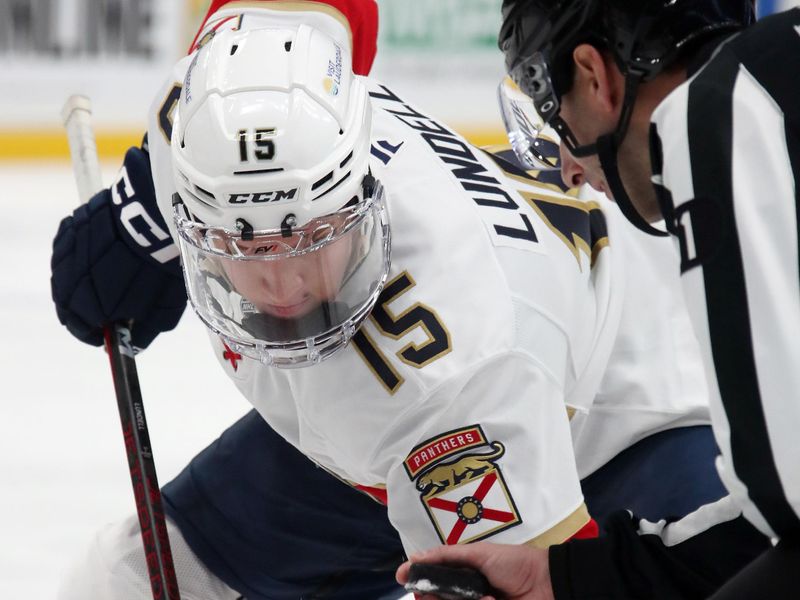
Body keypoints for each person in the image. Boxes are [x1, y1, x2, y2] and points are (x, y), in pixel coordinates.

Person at [50, 1, 761, 599]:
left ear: (361, 195)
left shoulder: (454, 374)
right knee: (121, 581)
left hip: (626, 418)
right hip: (376, 433)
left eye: (311, 238)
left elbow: (531, 581)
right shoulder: (216, 109)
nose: (283, 288)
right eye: (247, 250)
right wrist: (139, 207)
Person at [400, 0, 800, 597]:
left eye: (553, 110)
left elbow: (787, 510)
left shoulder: (716, 112)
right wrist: (566, 578)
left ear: (594, 74)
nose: (568, 166)